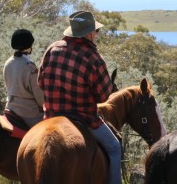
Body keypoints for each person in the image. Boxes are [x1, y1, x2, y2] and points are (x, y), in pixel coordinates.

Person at [38, 11, 121, 184]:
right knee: (114, 148)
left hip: (50, 117)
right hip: (84, 119)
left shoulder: (52, 49)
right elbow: (104, 96)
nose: (96, 35)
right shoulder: (93, 57)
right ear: (90, 33)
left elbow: (41, 83)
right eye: (96, 31)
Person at [3, 29, 45, 128]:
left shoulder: (8, 63)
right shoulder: (30, 66)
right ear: (29, 45)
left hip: (11, 109)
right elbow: (39, 96)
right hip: (29, 114)